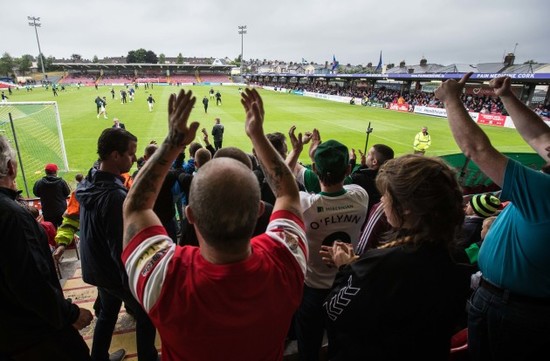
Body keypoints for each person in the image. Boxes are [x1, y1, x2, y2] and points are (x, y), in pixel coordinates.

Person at [121, 88, 307, 360]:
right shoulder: (286, 260)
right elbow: (288, 194)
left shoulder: (163, 277)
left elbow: (135, 207)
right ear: (258, 211)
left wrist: (173, 142)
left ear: (190, 214)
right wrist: (257, 135)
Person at [435, 73, 550, 361]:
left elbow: (477, 150)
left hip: (512, 311)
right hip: (520, 305)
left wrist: (451, 100)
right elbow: (539, 136)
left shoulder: (544, 192)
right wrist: (508, 97)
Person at [321, 155, 471, 360]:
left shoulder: (381, 264)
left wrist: (347, 269)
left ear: (406, 207)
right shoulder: (458, 256)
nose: (382, 200)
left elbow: (334, 311)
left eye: (386, 195)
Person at [0, 135, 93, 360]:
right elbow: (31, 283)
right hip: (35, 336)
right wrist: (70, 314)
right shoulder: (13, 216)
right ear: (11, 167)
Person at [76, 128, 158, 361]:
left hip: (95, 266)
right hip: (110, 271)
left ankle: (99, 357)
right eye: (130, 154)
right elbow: (119, 247)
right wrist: (134, 283)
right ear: (114, 155)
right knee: (145, 312)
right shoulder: (115, 197)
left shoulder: (91, 177)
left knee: (109, 311)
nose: (134, 159)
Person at [290, 136, 369, 361]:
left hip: (313, 288)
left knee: (308, 345)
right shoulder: (360, 196)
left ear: (314, 169)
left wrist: (296, 151)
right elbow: (342, 188)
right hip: (346, 285)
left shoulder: (306, 204)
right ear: (348, 169)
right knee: (340, 342)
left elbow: (283, 182)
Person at [350, 144, 394, 213]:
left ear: (374, 162)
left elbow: (347, 180)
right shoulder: (390, 179)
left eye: (368, 154)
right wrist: (364, 166)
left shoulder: (358, 177)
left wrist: (351, 162)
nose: (366, 156)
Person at [32, 163, 71, 228]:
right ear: (55, 172)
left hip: (47, 211)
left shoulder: (39, 182)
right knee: (64, 229)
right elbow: (67, 193)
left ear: (46, 172)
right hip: (61, 211)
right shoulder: (61, 182)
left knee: (51, 230)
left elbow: (36, 193)